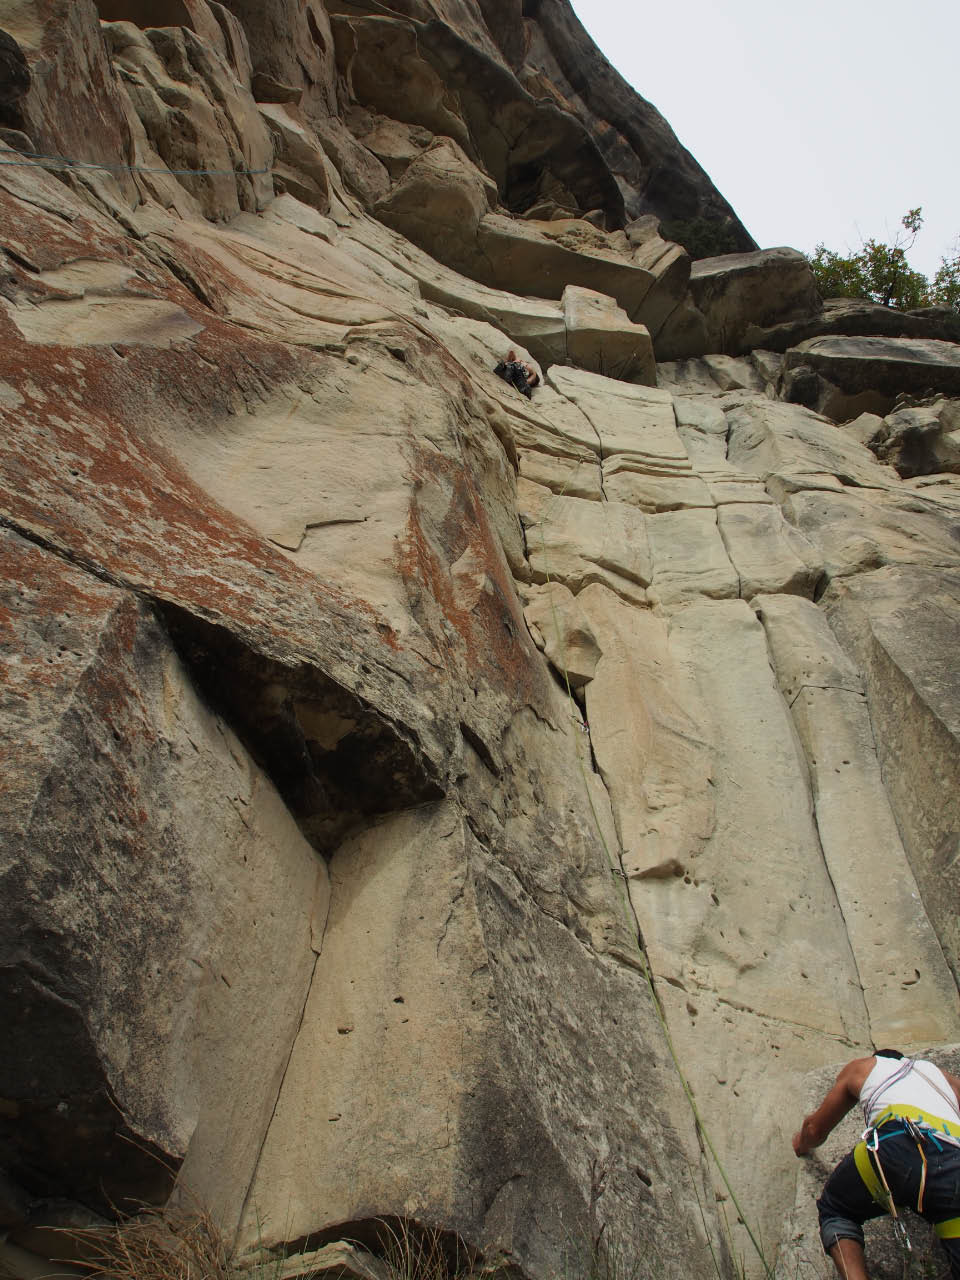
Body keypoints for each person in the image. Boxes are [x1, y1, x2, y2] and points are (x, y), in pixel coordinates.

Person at [793, 1049, 960, 1279]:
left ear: (878, 1057)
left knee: (836, 1211)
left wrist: (801, 1143)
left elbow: (815, 1130)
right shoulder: (944, 1078)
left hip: (897, 1144)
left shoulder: (865, 1066)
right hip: (953, 1165)